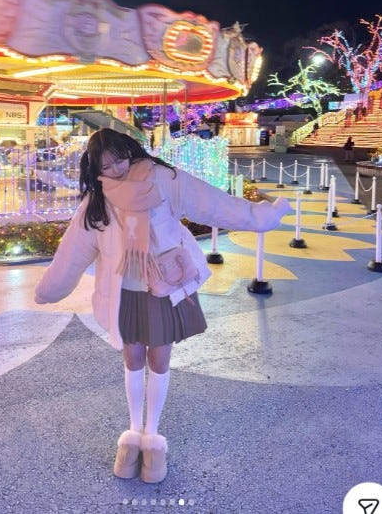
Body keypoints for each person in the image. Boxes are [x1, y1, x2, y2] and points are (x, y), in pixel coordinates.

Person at [34, 128, 292, 484]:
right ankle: (133, 434)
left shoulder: (162, 179)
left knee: (159, 359)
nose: (117, 169)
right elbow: (73, 252)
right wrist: (49, 290)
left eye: (120, 159)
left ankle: (152, 437)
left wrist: (263, 217)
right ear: (95, 169)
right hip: (125, 293)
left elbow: (213, 203)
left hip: (164, 289)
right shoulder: (97, 201)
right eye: (106, 166)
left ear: (131, 150)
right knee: (132, 359)